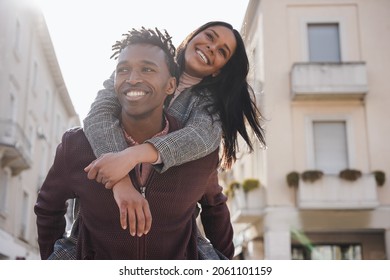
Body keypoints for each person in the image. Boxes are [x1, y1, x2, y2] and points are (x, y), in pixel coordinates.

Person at [34, 27, 234, 260]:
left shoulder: (200, 142)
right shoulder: (78, 144)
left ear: (170, 85)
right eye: (124, 70)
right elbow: (48, 208)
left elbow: (214, 203)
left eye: (147, 69)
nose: (133, 78)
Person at [83, 21, 267, 237]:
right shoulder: (144, 63)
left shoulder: (207, 106)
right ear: (193, 36)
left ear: (219, 70)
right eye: (209, 37)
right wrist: (120, 181)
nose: (211, 48)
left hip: (167, 226)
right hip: (103, 214)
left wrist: (134, 155)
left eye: (221, 52)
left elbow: (201, 136)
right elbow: (98, 116)